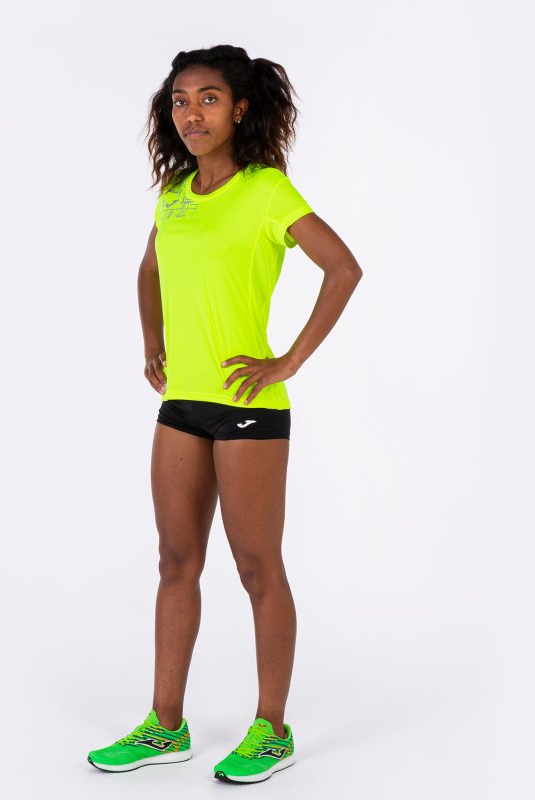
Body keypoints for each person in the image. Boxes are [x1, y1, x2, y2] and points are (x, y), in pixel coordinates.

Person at [87, 44, 362, 784]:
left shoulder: (267, 190)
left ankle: (272, 729)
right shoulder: (174, 195)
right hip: (182, 405)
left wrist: (288, 361)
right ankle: (165, 726)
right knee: (175, 562)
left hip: (248, 408)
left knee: (256, 566)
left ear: (240, 108)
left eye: (208, 98)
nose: (192, 114)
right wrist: (152, 341)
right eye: (180, 101)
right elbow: (150, 268)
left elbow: (343, 268)